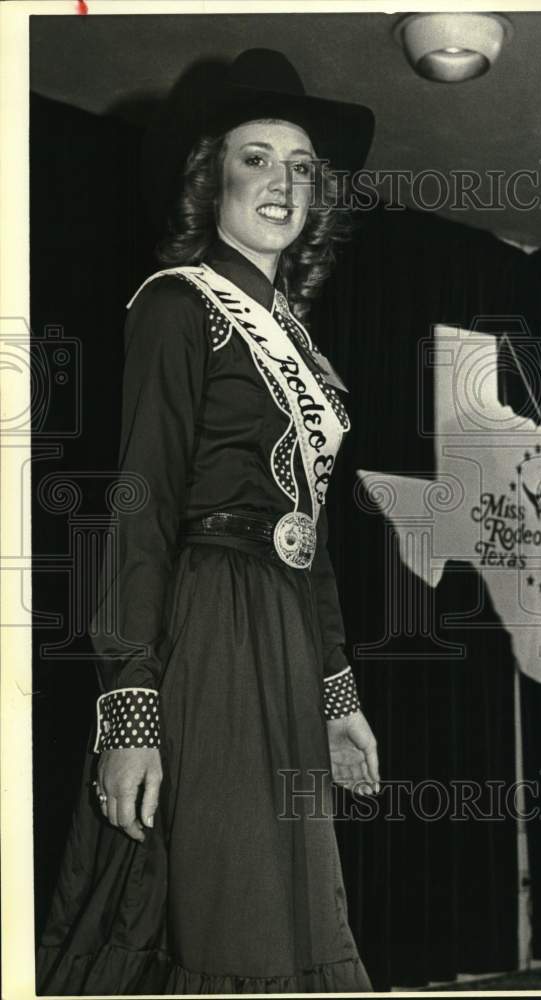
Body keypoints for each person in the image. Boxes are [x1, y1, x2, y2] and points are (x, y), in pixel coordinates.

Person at [36, 49, 379, 995]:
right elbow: (138, 504)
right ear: (210, 181)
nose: (282, 181)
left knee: (291, 896)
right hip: (208, 628)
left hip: (280, 631)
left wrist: (337, 697)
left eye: (301, 165)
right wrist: (130, 710)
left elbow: (307, 539)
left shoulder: (299, 342)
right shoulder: (179, 304)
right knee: (228, 907)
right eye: (256, 157)